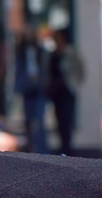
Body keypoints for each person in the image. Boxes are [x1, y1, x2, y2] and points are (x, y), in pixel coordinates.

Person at [13, 31, 54, 154]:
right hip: (27, 89)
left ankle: (43, 151)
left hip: (39, 89)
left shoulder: (41, 51)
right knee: (29, 122)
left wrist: (41, 81)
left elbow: (46, 69)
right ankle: (31, 150)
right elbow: (18, 70)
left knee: (39, 121)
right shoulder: (20, 52)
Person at [43, 26, 81, 154]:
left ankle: (68, 149)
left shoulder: (70, 53)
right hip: (55, 93)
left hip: (66, 92)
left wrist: (73, 84)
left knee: (66, 120)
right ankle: (63, 147)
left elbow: (80, 71)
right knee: (58, 121)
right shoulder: (51, 54)